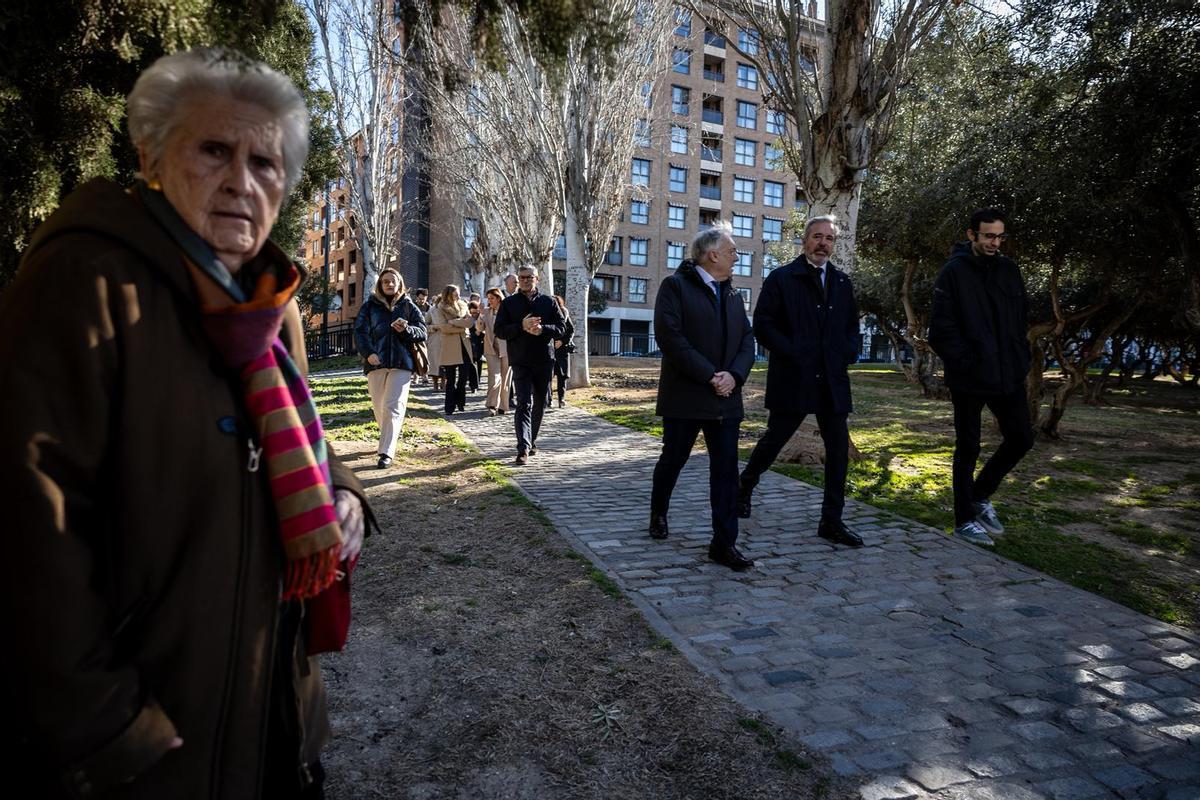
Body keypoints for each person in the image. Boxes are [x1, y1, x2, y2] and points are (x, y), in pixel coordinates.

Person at [0, 47, 371, 798]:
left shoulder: (268, 301)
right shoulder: (87, 279)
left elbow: (299, 441)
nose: (242, 180)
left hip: (271, 714)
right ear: (150, 155)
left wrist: (347, 490)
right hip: (145, 744)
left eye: (267, 163)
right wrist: (108, 729)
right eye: (214, 150)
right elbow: (27, 519)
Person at [737, 216, 864, 548]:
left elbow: (852, 326)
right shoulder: (782, 278)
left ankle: (831, 521)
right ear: (805, 240)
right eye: (817, 237)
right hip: (794, 376)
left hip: (832, 379)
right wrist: (795, 352)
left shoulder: (841, 282)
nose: (823, 243)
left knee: (837, 451)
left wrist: (848, 352)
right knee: (774, 440)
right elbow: (763, 325)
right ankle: (744, 486)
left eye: (830, 239)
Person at [649, 223, 756, 570]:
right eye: (732, 251)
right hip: (686, 397)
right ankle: (659, 512)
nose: (737, 257)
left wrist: (734, 376)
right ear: (713, 255)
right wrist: (710, 375)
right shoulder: (675, 287)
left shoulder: (733, 294)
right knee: (673, 460)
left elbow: (747, 341)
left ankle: (723, 544)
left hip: (726, 400)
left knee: (726, 473)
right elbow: (671, 338)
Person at [929, 208, 1035, 547]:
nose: (994, 242)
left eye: (1000, 236)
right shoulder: (953, 273)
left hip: (1008, 374)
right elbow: (940, 330)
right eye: (988, 235)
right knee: (968, 447)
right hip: (970, 376)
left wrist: (1021, 359)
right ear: (972, 234)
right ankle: (963, 520)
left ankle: (980, 494)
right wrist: (968, 361)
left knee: (1021, 438)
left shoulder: (1009, 270)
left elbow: (1020, 320)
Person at [354, 267, 427, 468]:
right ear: (380, 284)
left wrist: (407, 329)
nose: (389, 284)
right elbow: (360, 332)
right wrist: (369, 353)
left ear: (399, 283)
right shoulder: (369, 306)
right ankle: (386, 435)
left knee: (393, 406)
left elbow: (423, 332)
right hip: (375, 364)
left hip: (402, 364)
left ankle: (387, 451)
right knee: (379, 406)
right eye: (385, 281)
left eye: (393, 281)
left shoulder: (408, 306)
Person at [495, 265, 564, 464]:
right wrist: (521, 326)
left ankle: (531, 440)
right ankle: (523, 448)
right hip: (520, 360)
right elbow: (500, 330)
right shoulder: (509, 303)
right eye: (522, 277)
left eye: (529, 277)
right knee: (524, 403)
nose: (525, 280)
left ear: (536, 279)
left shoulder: (548, 302)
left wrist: (543, 329)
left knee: (540, 403)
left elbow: (561, 328)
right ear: (518, 280)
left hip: (544, 359)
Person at [429, 285, 474, 415]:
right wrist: (461, 325)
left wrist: (454, 322)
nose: (458, 297)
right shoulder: (439, 308)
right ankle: (449, 406)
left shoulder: (463, 305)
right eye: (455, 294)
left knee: (464, 376)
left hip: (464, 344)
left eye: (458, 294)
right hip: (449, 346)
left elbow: (470, 322)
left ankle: (460, 401)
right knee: (451, 379)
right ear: (448, 295)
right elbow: (444, 327)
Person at [477, 287, 511, 416]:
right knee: (494, 376)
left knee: (505, 377)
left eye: (492, 298)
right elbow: (479, 329)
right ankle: (491, 404)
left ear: (498, 298)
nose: (490, 301)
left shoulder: (507, 311)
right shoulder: (486, 311)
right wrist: (481, 315)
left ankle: (503, 406)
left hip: (506, 347)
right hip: (491, 348)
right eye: (488, 298)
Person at [552, 294, 575, 408]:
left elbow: (571, 330)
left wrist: (562, 341)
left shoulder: (564, 313)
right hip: (550, 350)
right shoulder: (546, 314)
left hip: (562, 351)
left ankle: (561, 399)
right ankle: (548, 399)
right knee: (547, 377)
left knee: (562, 376)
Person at [412, 288, 432, 385]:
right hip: (415, 335)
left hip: (426, 335)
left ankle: (425, 375)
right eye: (420, 299)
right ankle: (415, 376)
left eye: (423, 299)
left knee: (425, 355)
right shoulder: (412, 307)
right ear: (417, 297)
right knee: (416, 355)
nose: (421, 301)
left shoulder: (430, 308)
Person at [467, 300, 485, 393]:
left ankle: (477, 381)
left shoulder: (481, 318)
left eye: (476, 312)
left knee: (479, 362)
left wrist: (480, 333)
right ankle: (473, 384)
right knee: (472, 363)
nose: (474, 314)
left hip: (480, 343)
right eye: (472, 312)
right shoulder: (468, 318)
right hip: (471, 343)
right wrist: (475, 333)